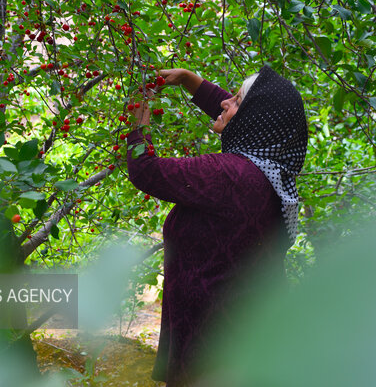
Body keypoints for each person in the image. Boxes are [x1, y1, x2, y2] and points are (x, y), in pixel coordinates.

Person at [125, 65, 308, 386]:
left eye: (236, 99)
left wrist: (139, 116)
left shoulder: (227, 175)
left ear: (252, 118)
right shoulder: (272, 171)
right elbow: (246, 116)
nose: (225, 102)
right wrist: (188, 80)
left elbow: (146, 171)